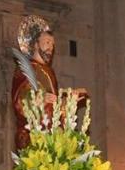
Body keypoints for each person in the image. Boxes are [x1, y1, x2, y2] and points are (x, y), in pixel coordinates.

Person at [11, 15, 88, 150]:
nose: (51, 47)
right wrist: (37, 98)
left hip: (51, 136)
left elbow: (52, 105)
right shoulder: (27, 68)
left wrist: (68, 101)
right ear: (35, 44)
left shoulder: (49, 72)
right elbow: (20, 98)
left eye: (52, 44)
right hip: (33, 137)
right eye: (47, 42)